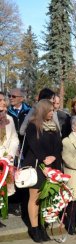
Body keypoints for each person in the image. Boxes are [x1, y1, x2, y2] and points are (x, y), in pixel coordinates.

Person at [23, 99, 62, 243]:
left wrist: (54, 157)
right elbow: (34, 146)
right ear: (42, 110)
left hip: (52, 165)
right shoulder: (33, 125)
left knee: (47, 199)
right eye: (50, 110)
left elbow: (59, 145)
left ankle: (43, 226)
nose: (52, 113)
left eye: (53, 110)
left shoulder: (54, 126)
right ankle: (34, 228)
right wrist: (44, 162)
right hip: (37, 165)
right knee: (35, 198)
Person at [7, 88, 31, 218]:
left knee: (23, 174)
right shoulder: (7, 112)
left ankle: (23, 202)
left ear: (22, 98)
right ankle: (13, 204)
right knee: (11, 174)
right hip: (11, 148)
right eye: (9, 95)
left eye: (14, 96)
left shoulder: (29, 111)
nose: (11, 98)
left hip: (25, 148)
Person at [0, 92, 19, 226]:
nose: (3, 110)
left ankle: (2, 213)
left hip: (6, 159)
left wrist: (10, 153)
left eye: (5, 107)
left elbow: (14, 138)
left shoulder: (10, 119)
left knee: (4, 188)